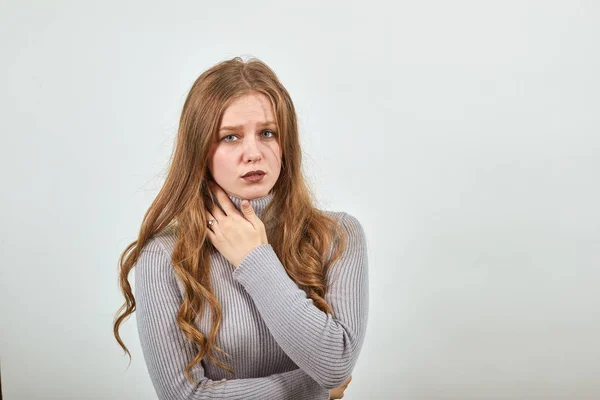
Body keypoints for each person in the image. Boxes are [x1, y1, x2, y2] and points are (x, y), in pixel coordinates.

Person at [113, 56, 369, 400]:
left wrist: (254, 257)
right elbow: (185, 397)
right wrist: (311, 387)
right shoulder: (163, 256)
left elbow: (335, 365)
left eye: (268, 133)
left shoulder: (338, 235)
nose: (253, 153)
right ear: (201, 150)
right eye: (230, 137)